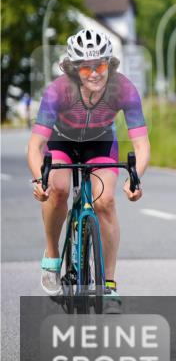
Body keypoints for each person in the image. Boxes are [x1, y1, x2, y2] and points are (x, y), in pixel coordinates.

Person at [26, 28, 149, 306]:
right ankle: (52, 255)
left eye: (100, 65)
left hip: (100, 143)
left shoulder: (124, 88)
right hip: (61, 141)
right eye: (85, 69)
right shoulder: (57, 91)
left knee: (105, 201)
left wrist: (135, 179)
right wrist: (39, 180)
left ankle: (107, 285)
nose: (94, 73)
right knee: (58, 189)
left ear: (110, 64)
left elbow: (141, 145)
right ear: (73, 69)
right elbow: (34, 147)